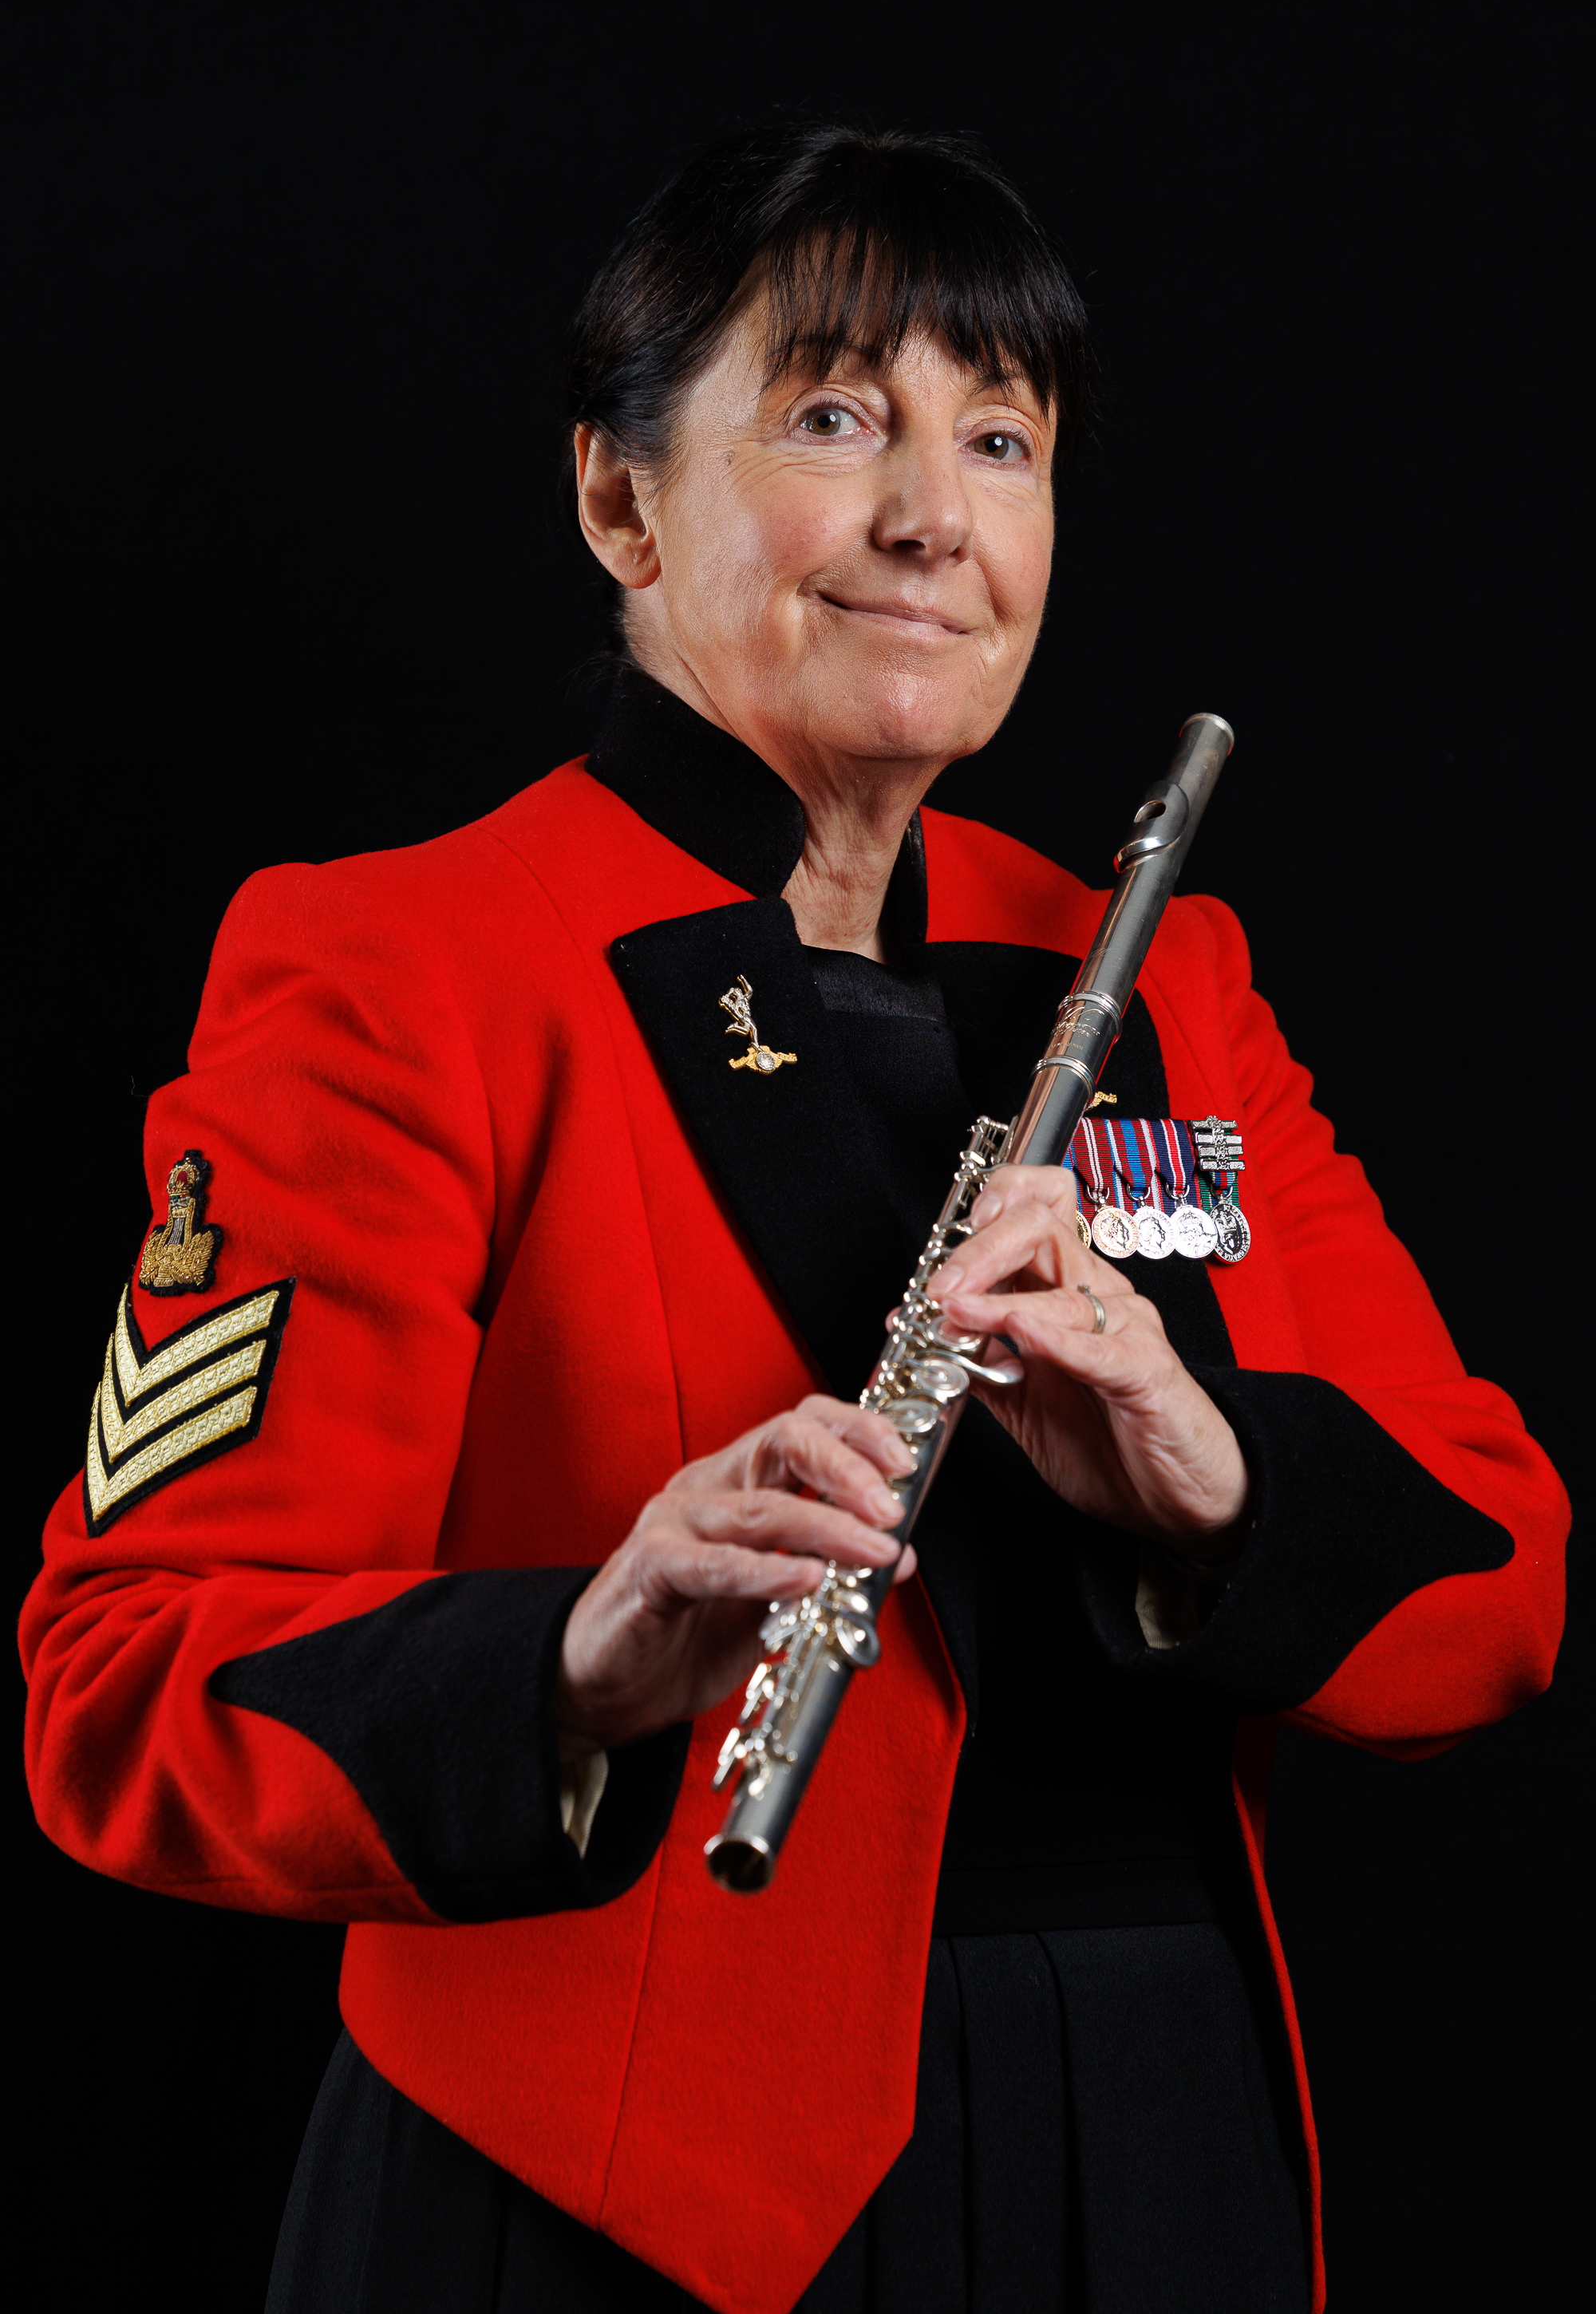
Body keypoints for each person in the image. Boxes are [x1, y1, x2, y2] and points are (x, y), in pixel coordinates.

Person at [22, 126, 1567, 2314]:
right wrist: (578, 1652)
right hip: (607, 2198)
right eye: (838, 413)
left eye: (1002, 438)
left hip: (1161, 2155)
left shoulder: (1156, 974)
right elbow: (126, 1685)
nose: (936, 514)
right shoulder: (400, 969)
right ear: (621, 502)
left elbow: (1501, 1580)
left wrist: (1207, 1480)